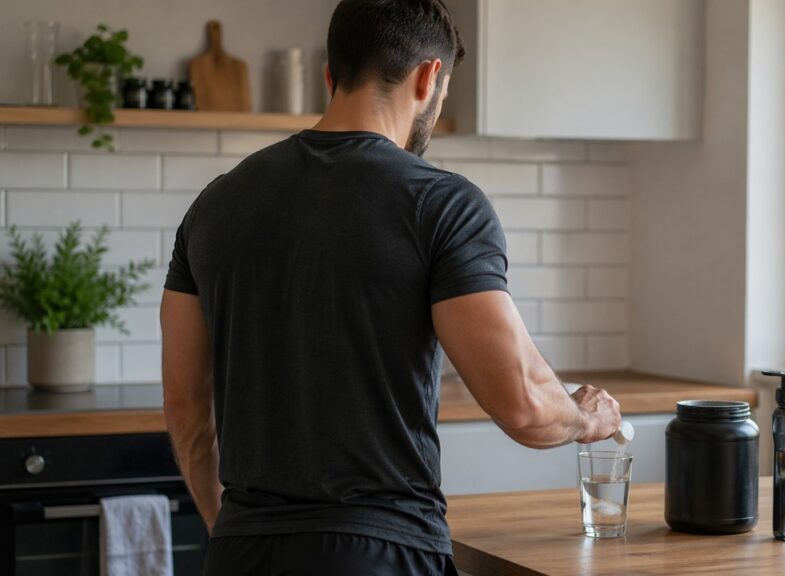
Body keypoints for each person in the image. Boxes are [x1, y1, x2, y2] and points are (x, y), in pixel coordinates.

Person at [160, 0, 622, 573]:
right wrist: (587, 419)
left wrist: (222, 526)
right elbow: (525, 405)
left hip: (242, 551)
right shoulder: (441, 204)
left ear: (331, 76)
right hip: (380, 554)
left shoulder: (214, 205)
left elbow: (184, 404)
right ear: (428, 77)